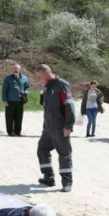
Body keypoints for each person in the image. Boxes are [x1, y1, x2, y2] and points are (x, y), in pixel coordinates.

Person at [36, 64, 77, 192]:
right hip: (48, 128)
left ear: (46, 74)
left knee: (64, 154)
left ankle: (67, 182)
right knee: (42, 150)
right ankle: (49, 177)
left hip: (60, 127)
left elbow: (69, 106)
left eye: (39, 77)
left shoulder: (61, 85)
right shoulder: (47, 88)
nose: (38, 80)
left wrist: (69, 125)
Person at [1, 64, 30, 137]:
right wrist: (4, 100)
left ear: (20, 70)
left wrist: (25, 93)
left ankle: (18, 132)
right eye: (14, 69)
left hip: (20, 101)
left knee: (19, 117)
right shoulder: (7, 78)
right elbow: (4, 90)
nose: (15, 70)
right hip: (10, 101)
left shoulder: (24, 78)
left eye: (16, 69)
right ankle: (10, 132)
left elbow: (27, 88)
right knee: (9, 117)